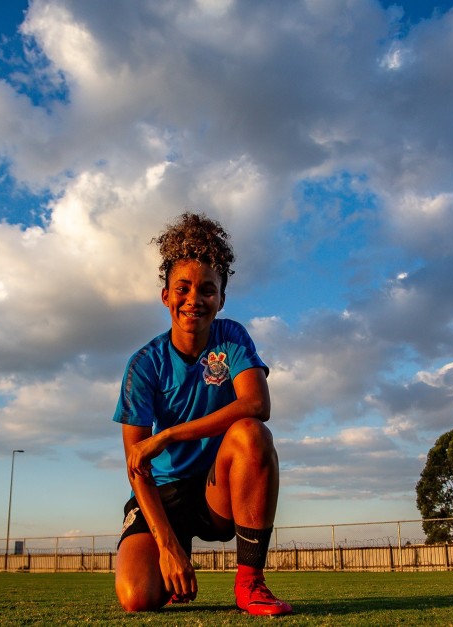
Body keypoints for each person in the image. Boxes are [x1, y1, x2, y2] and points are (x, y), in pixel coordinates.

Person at [112, 212, 293, 616]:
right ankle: (175, 558)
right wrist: (168, 547)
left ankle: (251, 583)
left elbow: (257, 405)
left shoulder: (231, 337)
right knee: (137, 598)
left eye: (207, 289)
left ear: (221, 299)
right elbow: (137, 464)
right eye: (183, 288)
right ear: (165, 295)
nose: (194, 299)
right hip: (164, 494)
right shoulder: (144, 364)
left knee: (251, 433)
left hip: (218, 491)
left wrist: (170, 435)